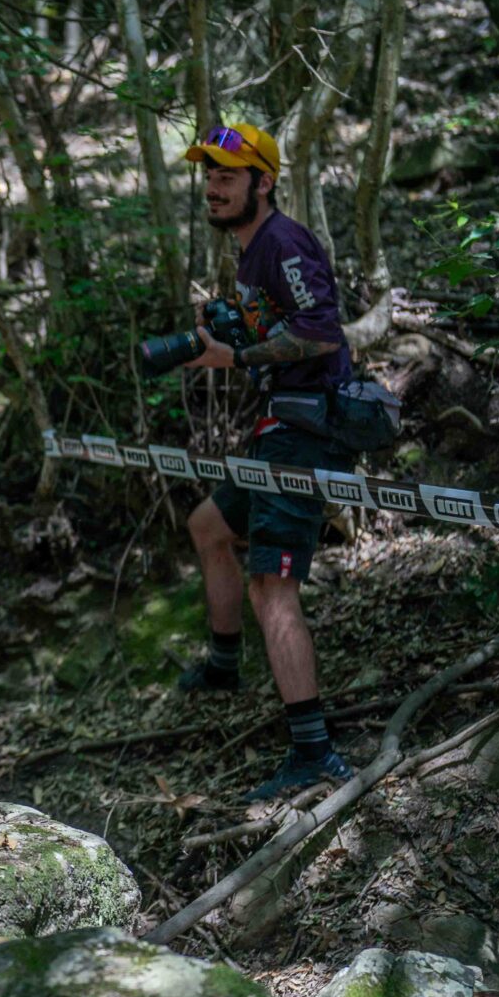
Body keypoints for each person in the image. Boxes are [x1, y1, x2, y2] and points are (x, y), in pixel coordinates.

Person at [175, 122, 357, 801]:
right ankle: (225, 665)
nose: (213, 189)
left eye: (227, 176)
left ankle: (314, 752)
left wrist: (238, 354)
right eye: (208, 177)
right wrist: (230, 329)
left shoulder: (283, 242)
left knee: (271, 587)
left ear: (264, 182)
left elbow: (322, 333)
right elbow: (279, 329)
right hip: (277, 426)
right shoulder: (252, 252)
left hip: (303, 432)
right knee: (208, 527)